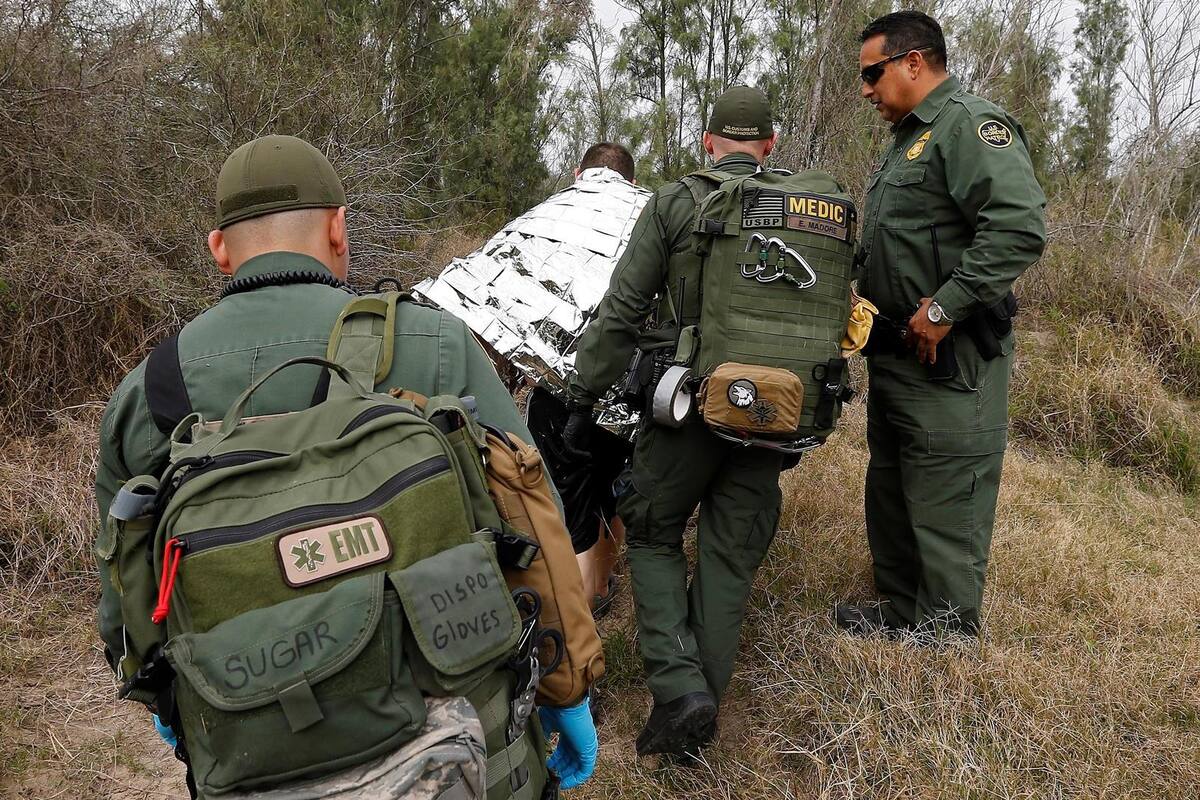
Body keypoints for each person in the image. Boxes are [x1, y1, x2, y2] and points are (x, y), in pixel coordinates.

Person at [94, 134, 598, 794]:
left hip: (256, 757)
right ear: (338, 229)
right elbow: (532, 525)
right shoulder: (434, 342)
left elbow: (125, 603)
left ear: (219, 249)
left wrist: (172, 705)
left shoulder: (149, 393)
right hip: (460, 749)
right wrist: (567, 689)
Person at [563, 87, 788, 757]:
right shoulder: (806, 210)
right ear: (770, 146)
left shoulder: (675, 203)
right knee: (728, 557)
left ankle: (680, 687)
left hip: (687, 406)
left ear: (708, 143)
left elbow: (622, 310)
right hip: (771, 414)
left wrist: (582, 395)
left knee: (654, 530)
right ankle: (696, 718)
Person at [838, 11, 1046, 637]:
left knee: (947, 496)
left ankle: (946, 639)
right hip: (898, 354)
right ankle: (902, 609)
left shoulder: (969, 126)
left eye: (872, 74)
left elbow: (1017, 229)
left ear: (912, 62)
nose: (866, 90)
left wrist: (942, 308)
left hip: (951, 364)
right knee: (893, 488)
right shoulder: (907, 140)